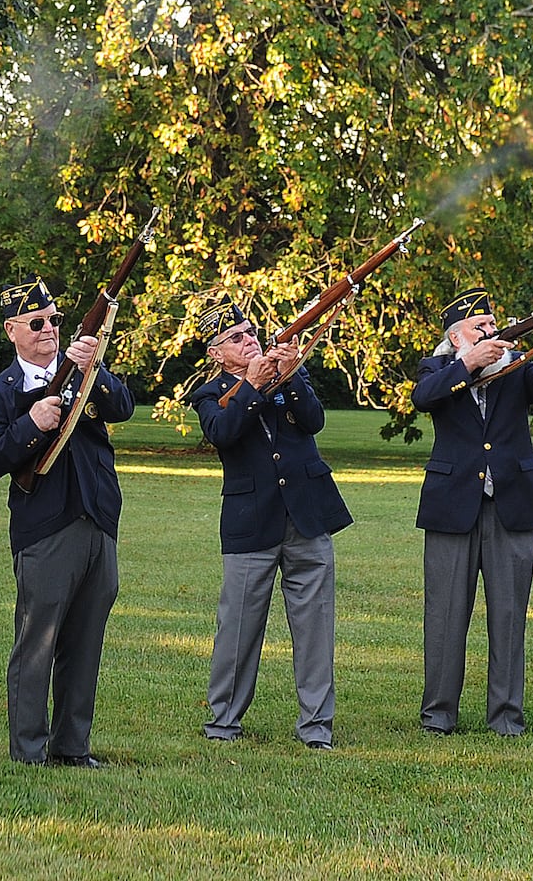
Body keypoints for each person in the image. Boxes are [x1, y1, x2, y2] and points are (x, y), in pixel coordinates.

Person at [0, 277, 130, 767]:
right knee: (37, 641)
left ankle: (72, 747)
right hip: (44, 527)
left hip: (97, 519)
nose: (49, 329)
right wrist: (31, 424)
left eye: (55, 321)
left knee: (85, 642)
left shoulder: (84, 371)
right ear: (12, 331)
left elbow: (121, 407)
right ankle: (28, 749)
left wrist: (92, 368)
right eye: (36, 322)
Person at [410, 288, 533, 736]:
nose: (490, 330)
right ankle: (438, 715)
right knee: (444, 616)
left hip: (513, 503)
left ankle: (506, 717)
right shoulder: (439, 368)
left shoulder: (518, 365)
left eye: (491, 323)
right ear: (455, 336)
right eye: (478, 326)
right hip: (452, 505)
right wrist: (470, 363)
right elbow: (424, 398)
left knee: (508, 615)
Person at [188, 302, 352, 749]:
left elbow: (314, 421)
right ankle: (223, 722)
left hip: (308, 513)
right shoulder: (209, 394)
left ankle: (317, 727)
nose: (250, 340)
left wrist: (292, 372)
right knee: (237, 627)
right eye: (237, 338)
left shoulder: (290, 375)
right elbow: (222, 433)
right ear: (217, 354)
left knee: (315, 626)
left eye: (251, 332)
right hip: (250, 520)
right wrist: (253, 385)